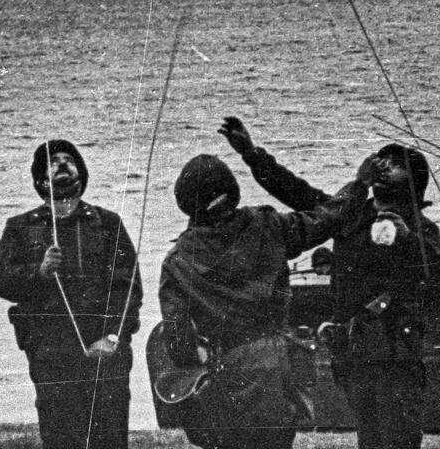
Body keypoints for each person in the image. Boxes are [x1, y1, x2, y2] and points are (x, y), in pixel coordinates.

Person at [216, 117, 440, 449]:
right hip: (354, 350)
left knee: (399, 438)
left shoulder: (418, 225)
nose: (384, 166)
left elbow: (439, 265)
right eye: (381, 159)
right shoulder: (350, 214)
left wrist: (407, 238)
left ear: (414, 182)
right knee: (369, 437)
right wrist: (251, 153)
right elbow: (293, 190)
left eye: (396, 164)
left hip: (396, 353)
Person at [158, 151, 369, 449]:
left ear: (185, 202)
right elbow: (326, 219)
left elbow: (178, 340)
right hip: (277, 366)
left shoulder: (177, 260)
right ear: (232, 190)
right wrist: (359, 184)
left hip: (223, 372)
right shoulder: (267, 225)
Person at [0, 139, 141, 449]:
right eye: (53, 161)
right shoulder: (19, 227)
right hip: (51, 355)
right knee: (61, 438)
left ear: (81, 174)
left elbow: (128, 288)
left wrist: (113, 337)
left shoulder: (107, 223)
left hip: (106, 352)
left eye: (68, 160)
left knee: (110, 437)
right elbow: (2, 281)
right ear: (40, 180)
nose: (61, 163)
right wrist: (40, 273)